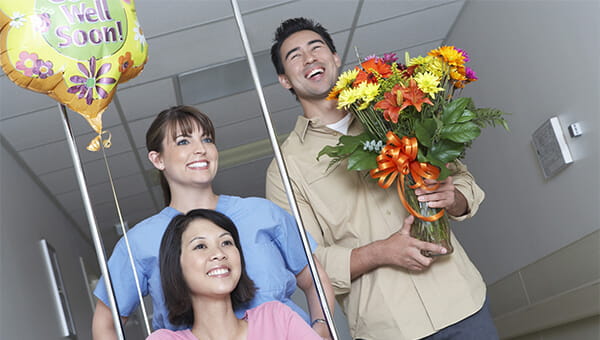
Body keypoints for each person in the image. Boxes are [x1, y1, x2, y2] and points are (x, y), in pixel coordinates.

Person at [265, 17, 499, 339]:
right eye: (295, 56)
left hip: (463, 305)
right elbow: (306, 264)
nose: (309, 58)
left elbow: (463, 181)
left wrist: (452, 196)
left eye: (316, 47)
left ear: (335, 58)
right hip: (388, 329)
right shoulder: (285, 169)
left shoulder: (396, 110)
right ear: (284, 80)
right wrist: (380, 252)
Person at [92, 105, 335, 339]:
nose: (201, 149)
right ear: (157, 160)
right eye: (184, 141)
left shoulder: (261, 213)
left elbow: (314, 278)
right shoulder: (139, 242)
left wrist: (321, 329)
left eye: (207, 139)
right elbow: (105, 325)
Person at [146, 208, 323, 340]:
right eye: (200, 246)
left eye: (227, 243)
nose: (219, 253)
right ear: (176, 266)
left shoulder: (277, 318)